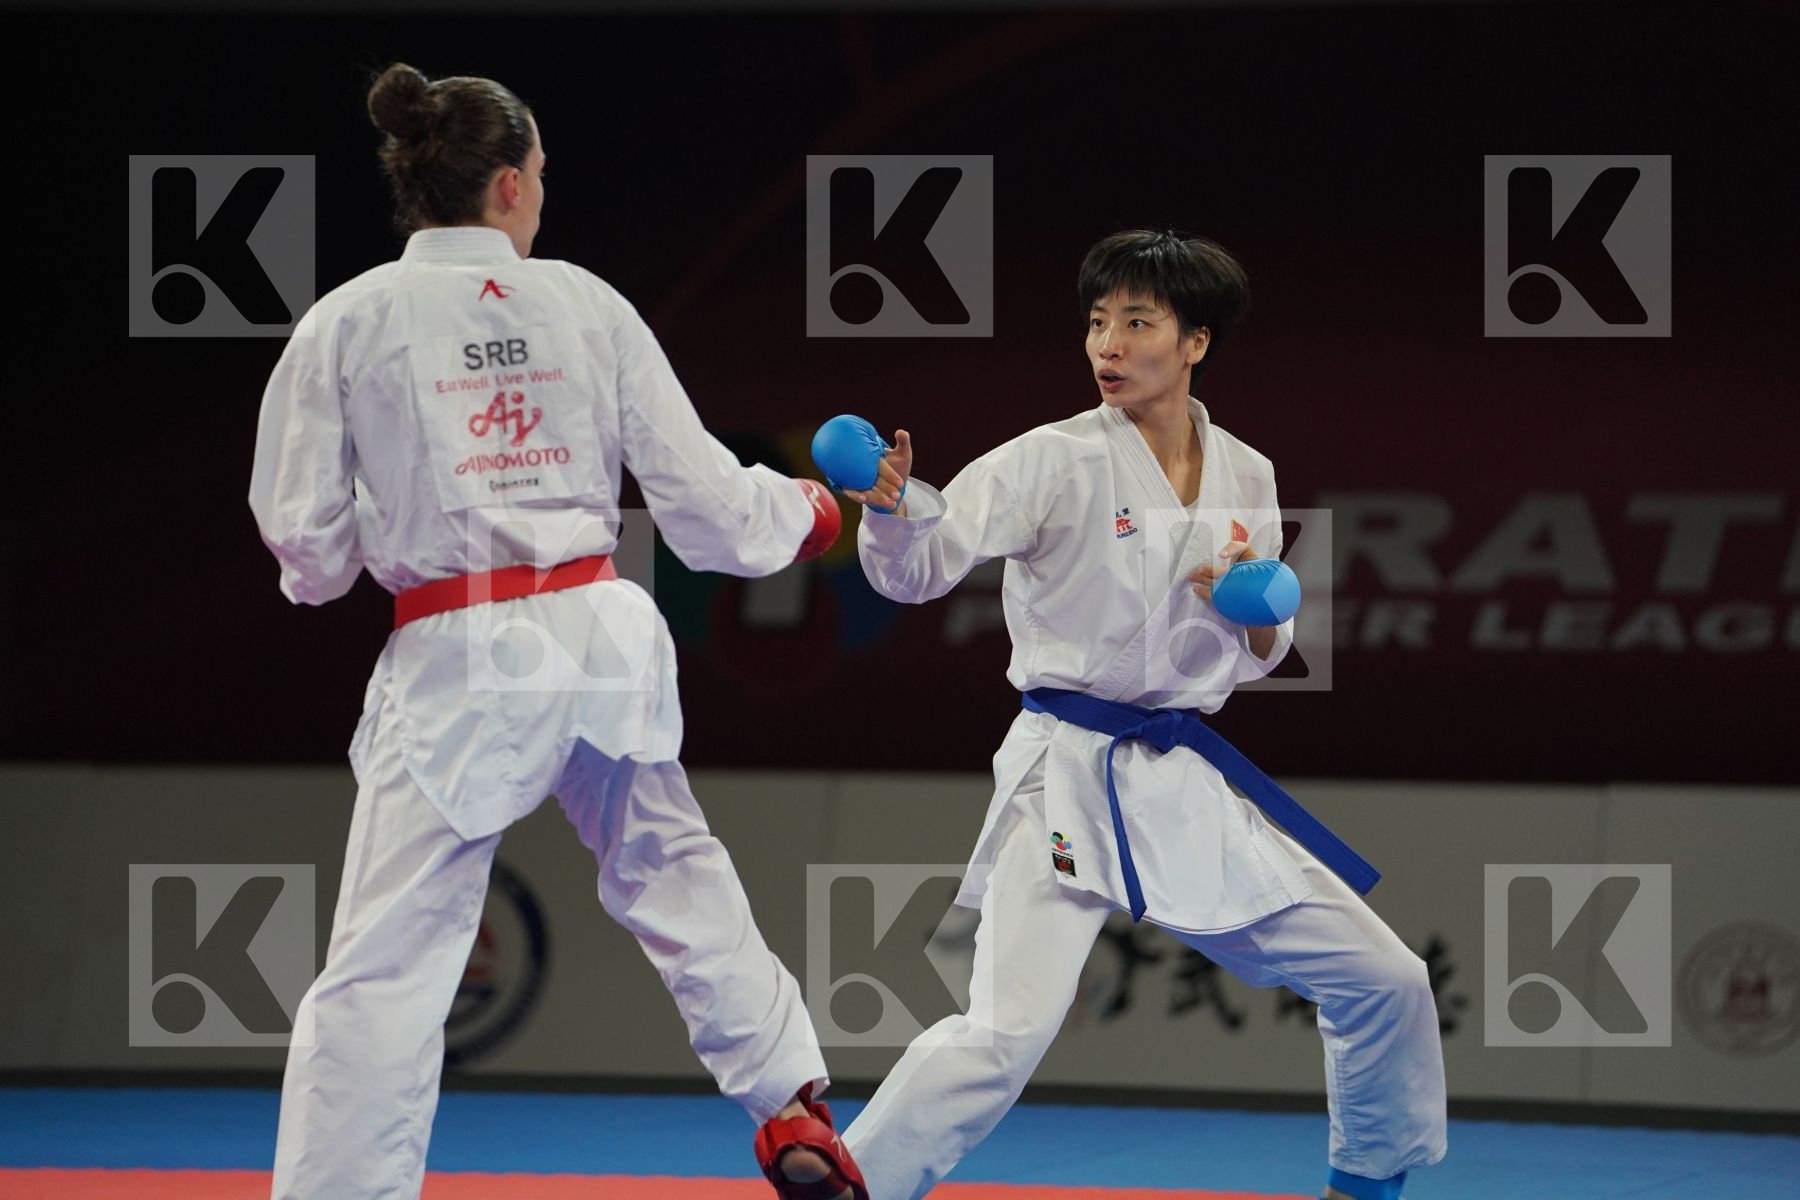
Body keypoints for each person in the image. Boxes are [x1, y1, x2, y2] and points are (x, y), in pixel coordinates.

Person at [249, 62, 865, 1200]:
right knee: (672, 867)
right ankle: (794, 1112)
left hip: (458, 652)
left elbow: (308, 546)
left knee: (390, 958)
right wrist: (814, 514)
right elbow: (713, 511)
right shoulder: (585, 304)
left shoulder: (348, 323)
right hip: (596, 637)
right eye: (538, 170)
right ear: (509, 186)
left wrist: (357, 547)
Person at [834, 230, 1447, 1200]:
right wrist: (891, 506)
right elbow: (926, 566)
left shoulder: (1249, 474)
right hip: (1064, 771)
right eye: (1096, 323)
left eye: (1136, 323)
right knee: (1003, 1033)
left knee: (1386, 979)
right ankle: (852, 1182)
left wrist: (1257, 610)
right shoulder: (1054, 459)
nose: (1107, 345)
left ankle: (1367, 1183)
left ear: (1196, 342)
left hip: (1179, 775)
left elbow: (1263, 654)